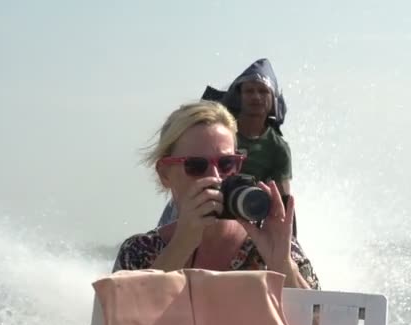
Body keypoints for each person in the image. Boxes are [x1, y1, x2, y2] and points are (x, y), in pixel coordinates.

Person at [113, 100, 319, 290]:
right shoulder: (139, 252)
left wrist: (282, 265)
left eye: (226, 164)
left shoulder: (271, 244)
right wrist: (181, 246)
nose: (215, 177)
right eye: (196, 166)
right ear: (165, 174)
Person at [158, 58, 297, 232]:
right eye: (249, 91)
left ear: (273, 99)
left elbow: (284, 197)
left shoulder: (277, 148)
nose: (256, 97)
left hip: (239, 210)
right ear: (239, 96)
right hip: (194, 203)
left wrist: (288, 241)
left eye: (263, 91)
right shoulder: (219, 131)